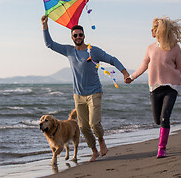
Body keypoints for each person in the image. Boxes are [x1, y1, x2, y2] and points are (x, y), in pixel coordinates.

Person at [41, 15, 130, 162]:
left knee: (94, 123)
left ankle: (101, 140)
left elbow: (111, 59)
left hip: (94, 92)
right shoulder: (69, 51)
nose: (78, 37)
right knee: (82, 127)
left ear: (84, 36)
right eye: (75, 35)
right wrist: (45, 25)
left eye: (80, 35)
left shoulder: (92, 51)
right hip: (79, 95)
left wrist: (125, 72)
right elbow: (49, 44)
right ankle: (94, 150)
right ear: (71, 37)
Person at [125, 16, 181, 158]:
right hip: (155, 87)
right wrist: (132, 77)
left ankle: (162, 148)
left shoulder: (175, 48)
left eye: (153, 29)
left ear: (159, 31)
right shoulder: (150, 48)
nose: (151, 31)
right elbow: (144, 65)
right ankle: (163, 137)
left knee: (165, 118)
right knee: (157, 120)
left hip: (172, 87)